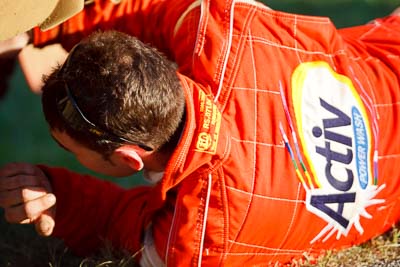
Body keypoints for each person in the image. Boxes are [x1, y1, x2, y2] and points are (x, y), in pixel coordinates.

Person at [1, 0, 400, 265]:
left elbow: (123, 226)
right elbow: (156, 10)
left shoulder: (198, 240)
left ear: (129, 157)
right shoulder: (227, 29)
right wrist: (37, 28)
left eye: (68, 150)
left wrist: (56, 195)